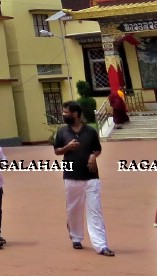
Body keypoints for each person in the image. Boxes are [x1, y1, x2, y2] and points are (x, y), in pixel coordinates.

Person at [54, 101, 114, 256]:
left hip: (91, 176)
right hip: (71, 176)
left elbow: (97, 149)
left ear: (75, 114)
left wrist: (93, 156)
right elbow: (57, 151)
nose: (64, 114)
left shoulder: (90, 131)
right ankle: (76, 237)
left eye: (66, 112)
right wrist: (67, 148)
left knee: (95, 210)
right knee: (73, 209)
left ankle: (101, 245)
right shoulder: (62, 132)